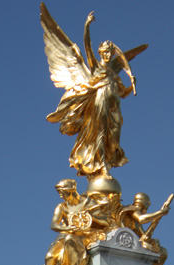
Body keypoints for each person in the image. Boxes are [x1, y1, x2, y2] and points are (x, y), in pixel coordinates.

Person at [41, 4, 147, 179]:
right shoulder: (97, 68)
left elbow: (123, 93)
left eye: (110, 52)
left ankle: (108, 160)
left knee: (114, 135)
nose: (108, 54)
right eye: (105, 52)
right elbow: (87, 47)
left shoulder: (114, 74)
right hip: (100, 102)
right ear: (100, 53)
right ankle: (102, 165)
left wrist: (131, 85)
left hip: (115, 106)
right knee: (100, 133)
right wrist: (87, 26)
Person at [120, 193, 169, 265]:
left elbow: (144, 237)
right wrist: (160, 213)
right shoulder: (132, 209)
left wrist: (153, 241)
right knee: (149, 248)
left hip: (133, 242)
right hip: (124, 241)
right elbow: (142, 219)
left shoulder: (136, 222)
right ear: (146, 204)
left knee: (162, 252)